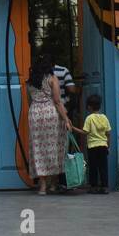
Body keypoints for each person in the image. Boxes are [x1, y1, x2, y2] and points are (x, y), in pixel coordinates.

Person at [27, 53, 81, 195]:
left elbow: (30, 99)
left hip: (35, 114)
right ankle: (52, 184)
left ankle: (42, 186)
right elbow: (57, 101)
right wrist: (66, 119)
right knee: (54, 147)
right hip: (50, 114)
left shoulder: (30, 81)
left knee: (38, 149)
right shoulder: (52, 78)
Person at [82, 94, 112, 194]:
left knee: (93, 167)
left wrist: (73, 128)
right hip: (103, 146)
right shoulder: (104, 117)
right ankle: (105, 187)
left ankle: (93, 187)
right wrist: (108, 146)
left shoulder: (89, 118)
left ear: (89, 107)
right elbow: (108, 134)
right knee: (103, 167)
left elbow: (85, 132)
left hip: (92, 147)